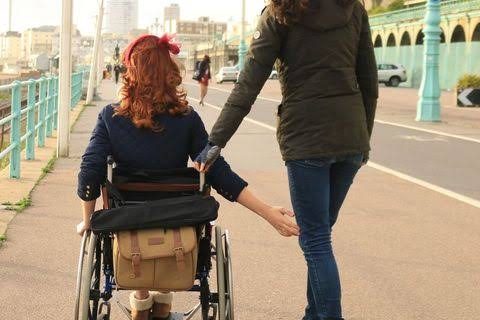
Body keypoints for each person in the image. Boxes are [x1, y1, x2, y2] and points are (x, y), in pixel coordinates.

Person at [76, 34, 299, 320]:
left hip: (126, 219)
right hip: (178, 218)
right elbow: (217, 172)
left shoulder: (111, 116)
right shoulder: (187, 118)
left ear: (131, 73)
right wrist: (267, 212)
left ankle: (141, 302)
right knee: (168, 215)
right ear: (170, 73)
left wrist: (89, 221)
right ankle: (163, 298)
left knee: (133, 219)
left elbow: (89, 172)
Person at [195, 1, 378, 319]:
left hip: (306, 137)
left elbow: (248, 85)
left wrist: (215, 142)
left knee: (316, 239)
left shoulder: (280, 13)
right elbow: (370, 84)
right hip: (351, 136)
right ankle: (313, 313)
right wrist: (364, 141)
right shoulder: (353, 8)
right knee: (319, 235)